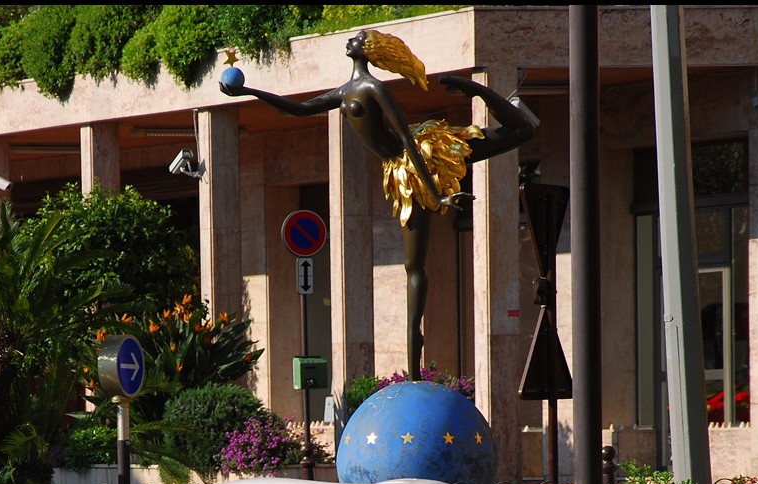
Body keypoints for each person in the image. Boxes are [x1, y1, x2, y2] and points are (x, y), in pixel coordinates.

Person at [220, 30, 536, 381]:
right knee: (412, 265)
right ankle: (414, 367)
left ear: (367, 50)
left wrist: (435, 194)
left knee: (416, 265)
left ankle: (415, 366)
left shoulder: (374, 89)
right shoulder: (345, 91)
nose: (349, 41)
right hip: (398, 170)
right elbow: (299, 109)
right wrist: (248, 92)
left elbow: (406, 140)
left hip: (418, 162)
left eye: (356, 39)